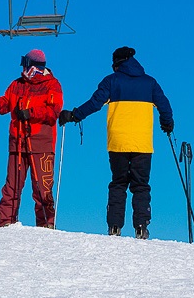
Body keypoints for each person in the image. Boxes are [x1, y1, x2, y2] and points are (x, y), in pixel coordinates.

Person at [59, 47, 171, 239]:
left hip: (117, 142)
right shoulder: (150, 83)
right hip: (142, 143)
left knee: (119, 183)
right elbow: (165, 106)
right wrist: (167, 123)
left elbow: (94, 104)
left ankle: (114, 227)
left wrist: (74, 115)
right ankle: (141, 227)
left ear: (117, 63)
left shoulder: (111, 81)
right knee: (141, 185)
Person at [0, 49, 62, 229]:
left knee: (43, 189)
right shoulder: (17, 84)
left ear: (34, 66)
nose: (24, 69)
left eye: (26, 64)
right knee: (11, 188)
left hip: (41, 144)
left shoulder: (52, 85)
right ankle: (6, 225)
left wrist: (30, 114)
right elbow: (5, 106)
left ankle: (46, 227)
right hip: (18, 143)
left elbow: (53, 112)